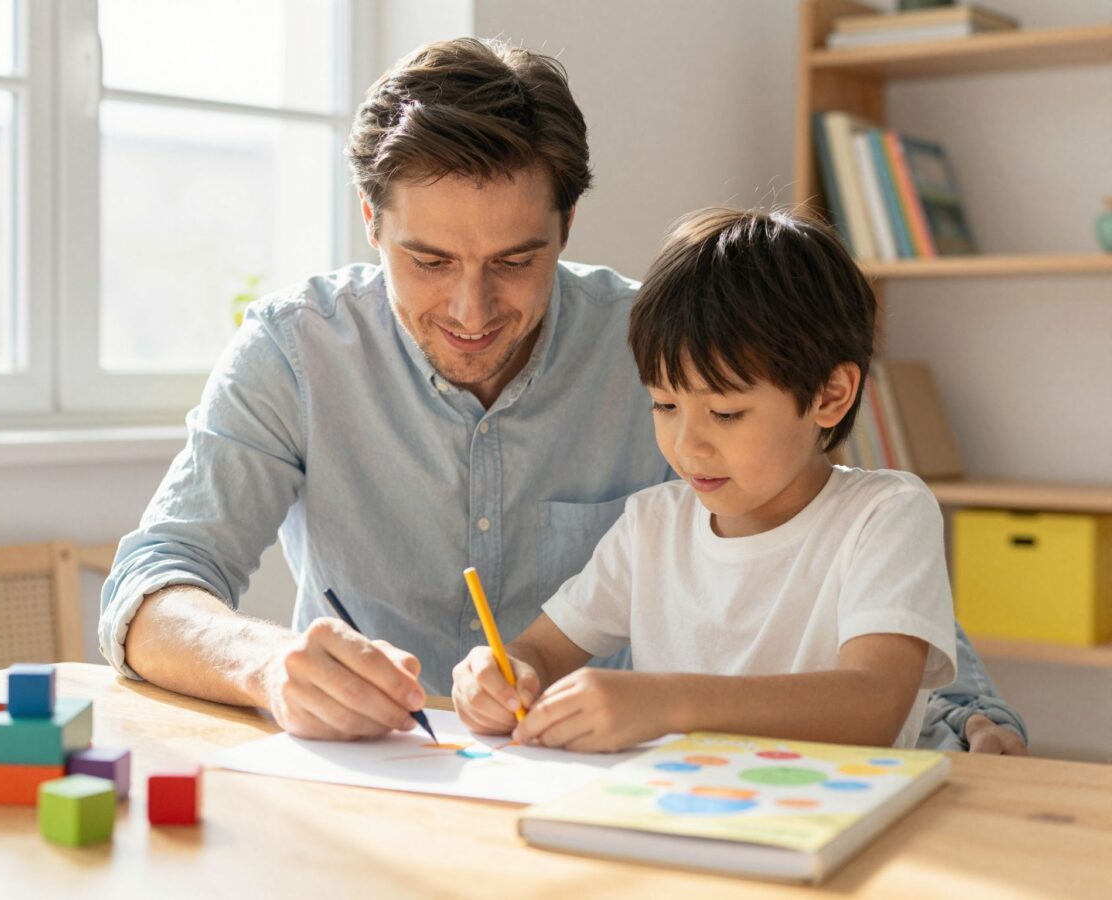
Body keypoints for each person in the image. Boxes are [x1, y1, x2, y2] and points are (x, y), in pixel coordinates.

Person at [98, 37, 1026, 754]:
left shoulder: (660, 348)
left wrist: (969, 713)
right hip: (384, 784)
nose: (472, 309)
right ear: (371, 221)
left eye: (516, 260)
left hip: (624, 795)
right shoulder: (295, 352)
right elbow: (150, 585)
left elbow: (834, 533)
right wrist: (267, 666)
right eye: (428, 261)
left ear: (567, 223)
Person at [453, 207, 963, 751]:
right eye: (665, 404)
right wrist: (501, 675)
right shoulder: (653, 525)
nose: (686, 444)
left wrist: (666, 703)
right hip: (680, 812)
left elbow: (874, 704)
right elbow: (545, 653)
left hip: (833, 819)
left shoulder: (884, 515)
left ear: (829, 395)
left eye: (725, 414)